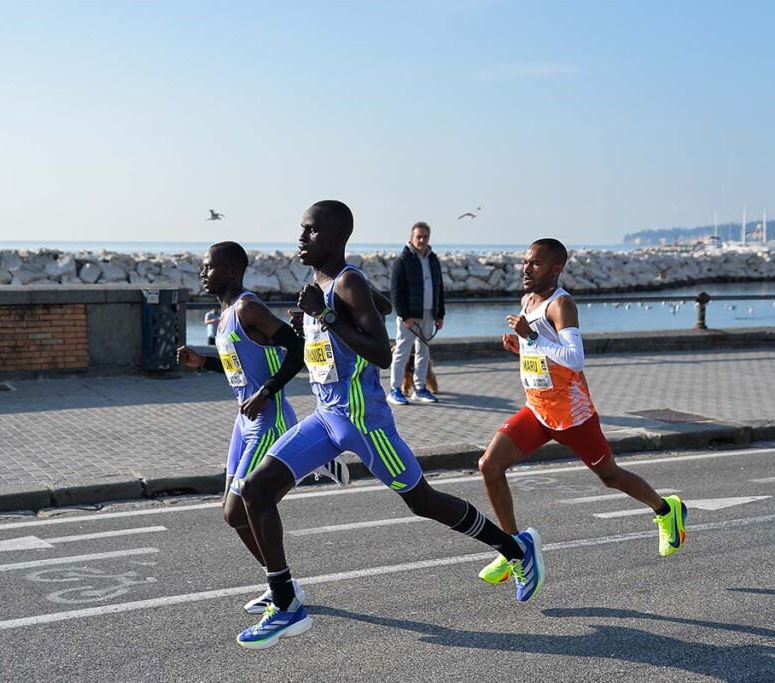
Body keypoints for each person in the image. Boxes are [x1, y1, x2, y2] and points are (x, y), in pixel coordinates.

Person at [234, 201, 541, 650]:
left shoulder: (347, 282)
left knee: (423, 501)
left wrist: (327, 316)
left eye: (311, 231)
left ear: (336, 238)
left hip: (365, 422)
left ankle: (517, 549)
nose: (301, 239)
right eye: (301, 230)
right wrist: (317, 320)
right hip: (325, 416)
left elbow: (380, 352)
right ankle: (286, 603)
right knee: (255, 491)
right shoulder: (323, 283)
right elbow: (378, 307)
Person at [476, 238, 687, 588]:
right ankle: (515, 549)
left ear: (556, 269)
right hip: (538, 409)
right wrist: (521, 348)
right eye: (526, 262)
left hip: (573, 415)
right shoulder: (527, 301)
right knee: (490, 466)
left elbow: (575, 359)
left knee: (611, 477)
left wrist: (530, 337)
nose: (526, 269)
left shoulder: (562, 306)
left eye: (536, 264)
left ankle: (666, 511)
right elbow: (543, 357)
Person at [176, 241, 350, 616]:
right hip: (244, 422)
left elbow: (297, 349)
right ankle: (279, 583)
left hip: (268, 419)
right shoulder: (223, 315)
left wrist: (267, 391)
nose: (203, 273)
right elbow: (241, 365)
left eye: (209, 267)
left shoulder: (247, 308)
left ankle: (282, 584)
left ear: (232, 270)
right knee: (233, 513)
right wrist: (201, 364)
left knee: (236, 511)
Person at [388, 221, 445, 405]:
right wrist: (405, 315)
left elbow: (439, 288)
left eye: (425, 236)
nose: (421, 240)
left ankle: (420, 389)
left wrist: (440, 314)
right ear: (411, 238)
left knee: (424, 353)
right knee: (402, 352)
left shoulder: (433, 260)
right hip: (409, 317)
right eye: (418, 236)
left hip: (429, 313)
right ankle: (395, 389)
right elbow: (396, 291)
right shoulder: (402, 261)